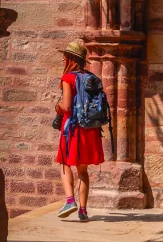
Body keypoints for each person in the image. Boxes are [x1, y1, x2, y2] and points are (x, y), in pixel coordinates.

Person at [54, 41, 104, 222]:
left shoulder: (68, 78)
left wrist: (57, 107)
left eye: (65, 55)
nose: (62, 57)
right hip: (90, 128)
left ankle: (69, 201)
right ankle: (83, 211)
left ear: (71, 58)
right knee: (82, 170)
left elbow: (66, 105)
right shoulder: (91, 77)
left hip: (72, 128)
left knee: (64, 163)